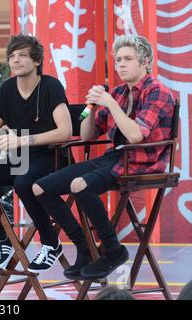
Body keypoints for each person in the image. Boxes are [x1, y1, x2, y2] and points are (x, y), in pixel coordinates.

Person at [33, 34, 175, 281]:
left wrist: (111, 104)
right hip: (116, 157)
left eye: (128, 59)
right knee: (40, 188)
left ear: (145, 61)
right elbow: (87, 135)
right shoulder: (119, 92)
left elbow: (135, 136)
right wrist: (93, 107)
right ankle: (85, 248)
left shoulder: (157, 91)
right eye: (118, 59)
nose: (121, 64)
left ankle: (113, 250)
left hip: (143, 161)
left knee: (80, 185)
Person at [0, 34, 72, 272]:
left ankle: (51, 243)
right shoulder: (7, 89)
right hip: (20, 158)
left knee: (24, 182)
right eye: (12, 56)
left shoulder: (50, 86)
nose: (16, 60)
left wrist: (21, 140)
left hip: (51, 157)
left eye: (22, 55)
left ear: (36, 61)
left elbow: (65, 131)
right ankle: (1, 240)